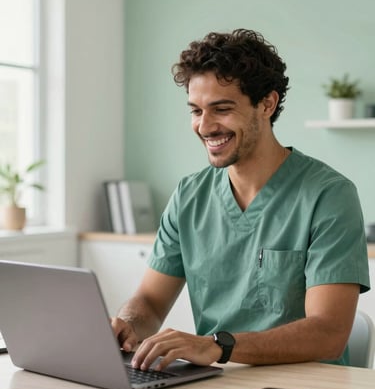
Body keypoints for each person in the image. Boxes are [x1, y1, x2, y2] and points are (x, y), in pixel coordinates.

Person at [112, 29, 370, 371]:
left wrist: (217, 346)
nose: (205, 126)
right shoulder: (190, 196)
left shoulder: (329, 195)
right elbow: (150, 301)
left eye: (221, 109)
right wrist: (127, 325)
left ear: (267, 104)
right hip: (213, 384)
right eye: (196, 111)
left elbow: (328, 332)